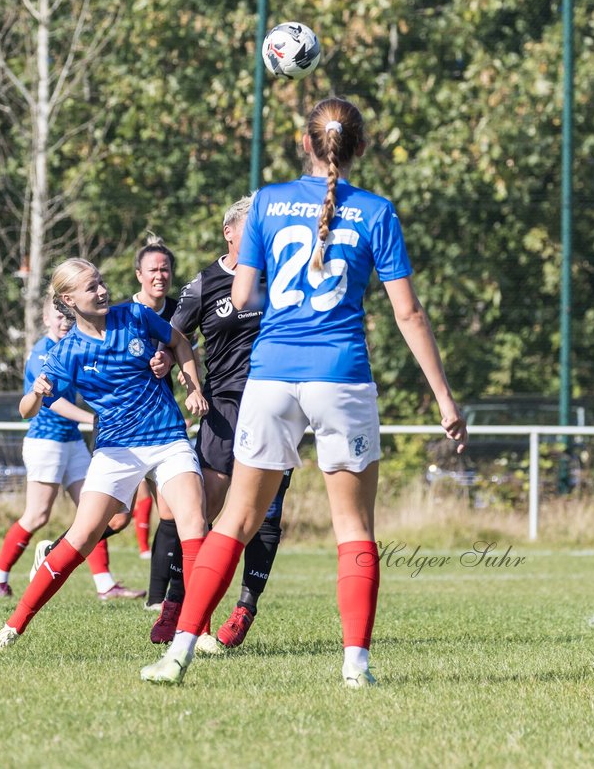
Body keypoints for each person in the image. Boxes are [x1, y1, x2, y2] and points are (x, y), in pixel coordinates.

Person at [141, 96, 468, 687]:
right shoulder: (375, 211)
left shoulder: (265, 202)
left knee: (235, 519)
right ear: (359, 148)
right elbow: (409, 314)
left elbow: (240, 300)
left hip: (269, 378)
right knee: (354, 528)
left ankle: (179, 653)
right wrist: (444, 398)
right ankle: (355, 669)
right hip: (341, 375)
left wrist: (284, 305)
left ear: (303, 144)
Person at [0, 258, 212, 652]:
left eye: (101, 283)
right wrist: (36, 392)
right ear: (69, 299)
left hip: (167, 437)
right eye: (92, 287)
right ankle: (13, 627)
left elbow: (180, 343)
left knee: (194, 523)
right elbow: (25, 410)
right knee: (82, 536)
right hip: (116, 449)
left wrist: (192, 386)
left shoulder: (136, 315)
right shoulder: (66, 351)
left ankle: (197, 633)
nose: (102, 291)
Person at [159, 194, 292, 649]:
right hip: (225, 406)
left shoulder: (280, 274)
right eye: (252, 227)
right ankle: (180, 604)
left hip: (276, 401)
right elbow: (175, 336)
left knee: (267, 511)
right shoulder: (205, 283)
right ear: (230, 232)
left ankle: (244, 608)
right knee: (202, 507)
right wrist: (178, 371)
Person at [0, 298, 144, 602]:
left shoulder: (73, 346)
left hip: (71, 441)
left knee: (98, 512)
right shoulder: (43, 352)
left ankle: (105, 585)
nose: (63, 322)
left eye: (67, 317)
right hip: (46, 441)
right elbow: (50, 401)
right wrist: (93, 418)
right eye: (57, 317)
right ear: (45, 319)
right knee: (37, 515)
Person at [125, 238, 185, 610]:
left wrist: (175, 364)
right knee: (115, 519)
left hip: (161, 424)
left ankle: (155, 601)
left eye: (165, 269)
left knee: (169, 511)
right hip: (123, 424)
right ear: (139, 275)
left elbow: (183, 346)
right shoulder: (122, 314)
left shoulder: (179, 311)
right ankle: (54, 551)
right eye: (153, 270)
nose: (160, 276)